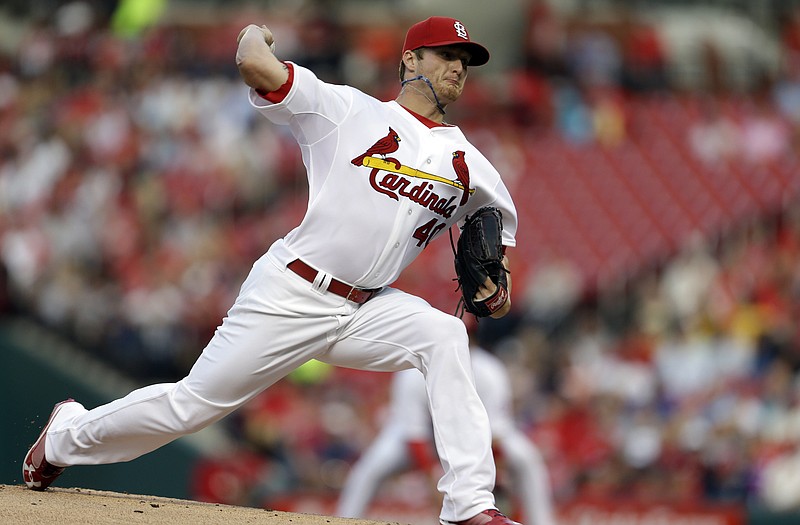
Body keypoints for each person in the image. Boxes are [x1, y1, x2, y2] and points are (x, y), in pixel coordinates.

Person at [22, 15, 520, 525]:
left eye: (465, 61)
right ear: (409, 60)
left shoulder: (471, 164)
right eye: (445, 55)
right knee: (191, 407)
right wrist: (254, 30)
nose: (458, 68)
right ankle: (64, 436)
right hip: (293, 290)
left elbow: (497, 256)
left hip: (369, 307)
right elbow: (253, 63)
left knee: (444, 334)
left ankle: (470, 505)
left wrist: (496, 292)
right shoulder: (347, 109)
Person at [336, 345, 558, 525]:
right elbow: (415, 438)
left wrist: (495, 476)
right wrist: (434, 479)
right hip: (419, 438)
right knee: (368, 471)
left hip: (475, 437)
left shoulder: (488, 370)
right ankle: (342, 520)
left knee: (527, 459)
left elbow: (496, 434)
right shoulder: (414, 373)